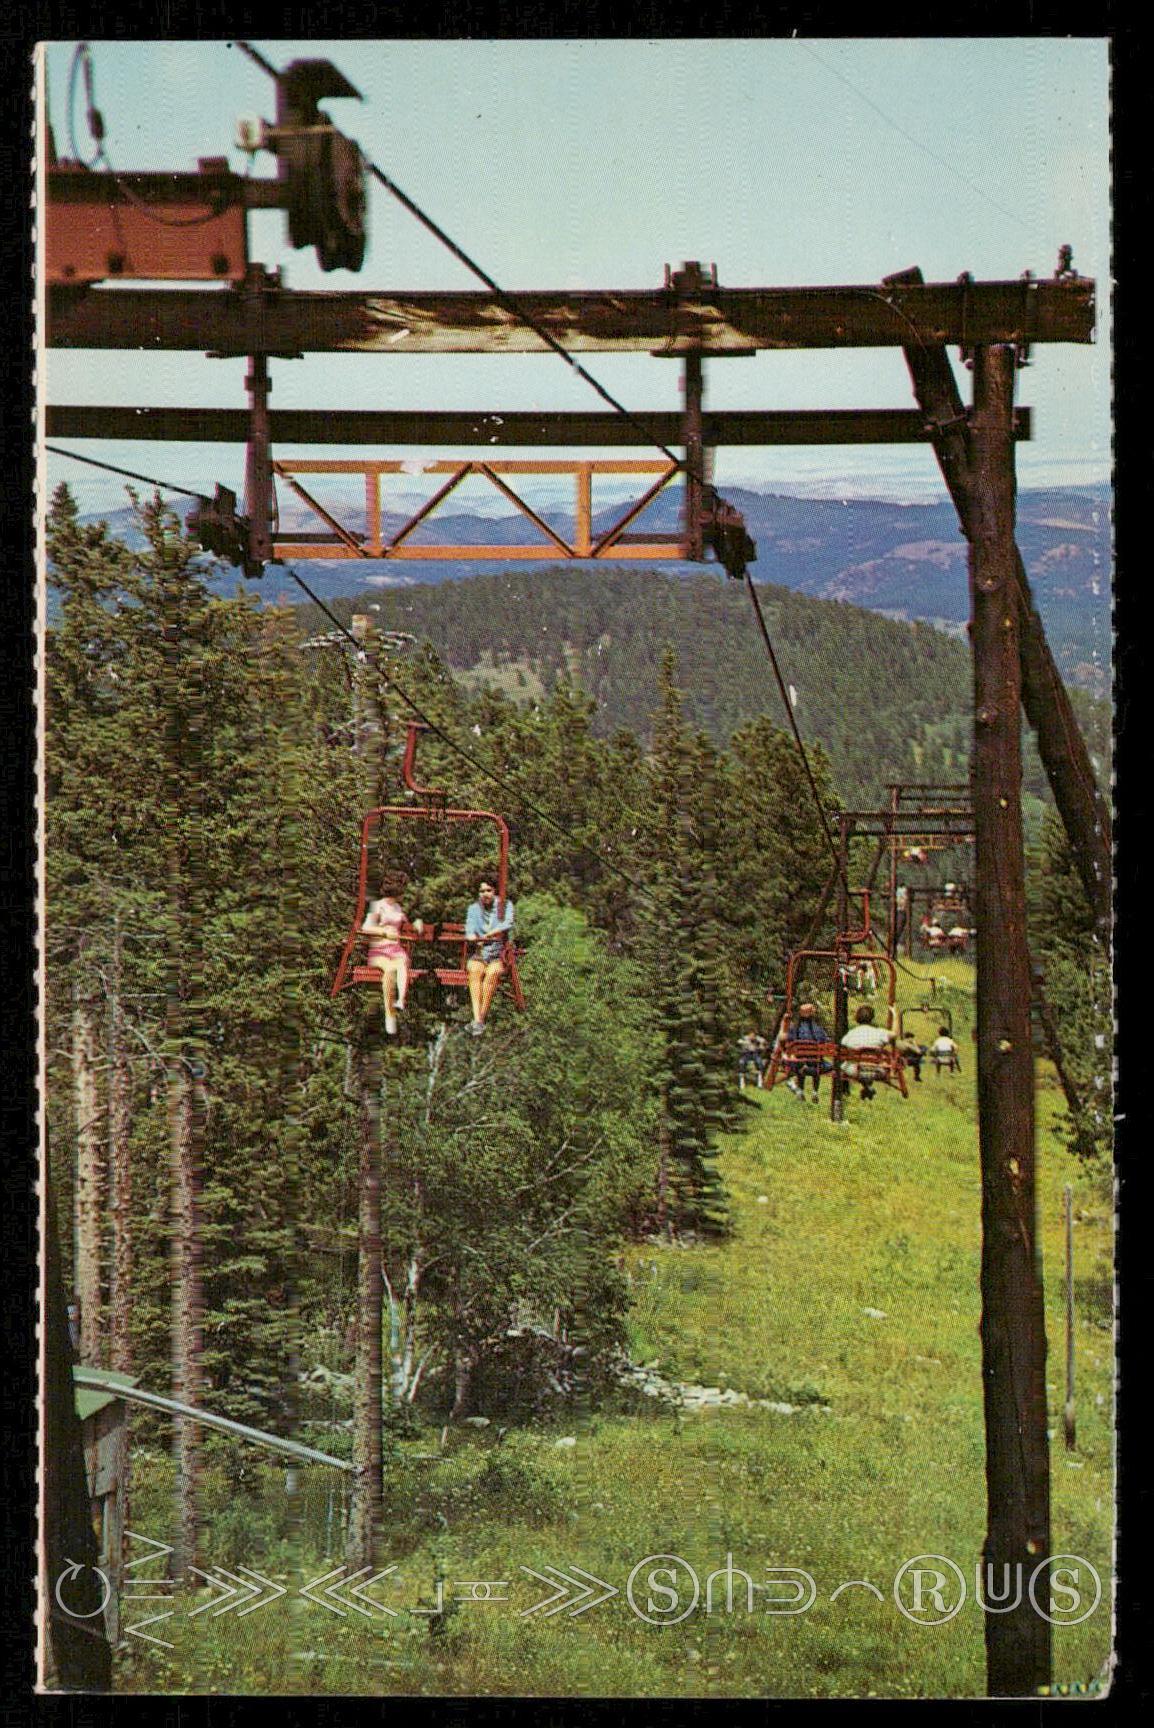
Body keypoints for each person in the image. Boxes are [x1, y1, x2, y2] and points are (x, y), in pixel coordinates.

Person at [362, 871, 423, 1036]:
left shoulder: (397, 907)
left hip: (395, 950)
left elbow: (405, 923)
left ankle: (401, 1000)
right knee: (389, 970)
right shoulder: (378, 906)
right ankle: (390, 1015)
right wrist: (383, 932)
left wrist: (416, 924)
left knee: (402, 963)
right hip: (379, 951)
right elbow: (366, 928)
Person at [464, 875, 515, 1035]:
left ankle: (479, 1020)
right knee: (474, 970)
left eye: (488, 890)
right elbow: (470, 930)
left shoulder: (505, 905)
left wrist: (491, 933)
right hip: (480, 952)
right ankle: (478, 1019)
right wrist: (473, 938)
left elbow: (508, 923)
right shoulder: (474, 909)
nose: (485, 894)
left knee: (492, 973)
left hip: (497, 953)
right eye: (481, 891)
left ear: (494, 891)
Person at [840, 1003, 895, 1101]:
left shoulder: (851, 1033)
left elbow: (843, 1044)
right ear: (872, 1018)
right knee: (869, 1065)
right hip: (876, 1071)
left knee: (846, 1064)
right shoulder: (880, 1033)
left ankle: (862, 1089)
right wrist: (895, 1015)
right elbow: (895, 1034)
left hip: (855, 1071)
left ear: (857, 1018)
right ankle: (867, 1088)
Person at [786, 1002, 831, 1100]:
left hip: (799, 1062)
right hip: (816, 1063)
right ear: (811, 1014)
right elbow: (825, 1040)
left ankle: (801, 1091)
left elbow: (789, 1041)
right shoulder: (817, 1029)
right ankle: (815, 1092)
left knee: (801, 1063)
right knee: (822, 1064)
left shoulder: (794, 1028)